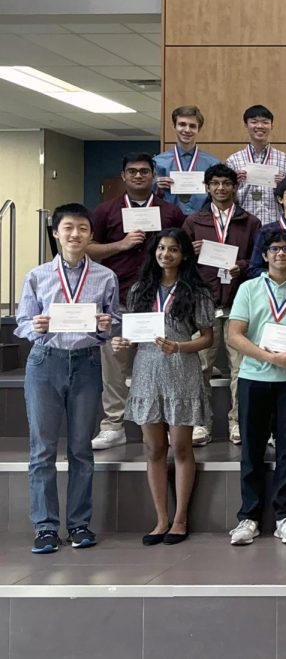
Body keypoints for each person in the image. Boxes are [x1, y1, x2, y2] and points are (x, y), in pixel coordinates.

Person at [17, 204, 119, 554]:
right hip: (46, 363)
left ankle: (79, 524)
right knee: (42, 450)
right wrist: (35, 326)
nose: (75, 234)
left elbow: (113, 321)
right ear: (56, 233)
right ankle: (45, 527)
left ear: (91, 235)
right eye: (68, 228)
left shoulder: (105, 276)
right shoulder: (37, 275)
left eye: (82, 228)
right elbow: (21, 322)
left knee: (81, 449)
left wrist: (108, 326)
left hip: (87, 364)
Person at [111, 229, 214, 545]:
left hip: (181, 369)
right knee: (153, 449)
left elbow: (208, 338)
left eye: (173, 249)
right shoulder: (140, 289)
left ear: (184, 255)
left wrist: (180, 347)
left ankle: (180, 519)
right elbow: (133, 334)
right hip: (146, 371)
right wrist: (122, 341)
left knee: (181, 448)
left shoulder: (196, 291)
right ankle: (161, 520)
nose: (165, 254)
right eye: (161, 248)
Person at [225, 227, 286, 546]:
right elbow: (235, 335)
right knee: (252, 450)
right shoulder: (249, 288)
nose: (280, 253)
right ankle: (248, 518)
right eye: (274, 249)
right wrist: (268, 356)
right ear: (265, 255)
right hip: (254, 377)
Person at [87, 152, 186, 450]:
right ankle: (113, 424)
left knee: (163, 361)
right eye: (133, 171)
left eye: (145, 171)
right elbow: (89, 249)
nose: (139, 176)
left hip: (161, 300)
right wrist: (122, 244)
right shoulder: (106, 211)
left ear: (154, 175)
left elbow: (184, 250)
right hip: (118, 297)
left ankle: (168, 421)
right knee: (115, 363)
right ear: (124, 176)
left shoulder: (170, 212)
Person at [182, 163, 261, 445]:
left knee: (241, 368)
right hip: (204, 303)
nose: (220, 188)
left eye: (226, 183)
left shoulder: (250, 222)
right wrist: (189, 254)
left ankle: (237, 421)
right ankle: (200, 423)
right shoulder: (194, 221)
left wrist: (240, 265)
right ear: (207, 187)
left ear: (235, 187)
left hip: (239, 303)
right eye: (214, 183)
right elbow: (179, 263)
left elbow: (258, 261)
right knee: (200, 367)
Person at [224, 104, 286, 225]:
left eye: (265, 122)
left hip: (276, 224)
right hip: (242, 225)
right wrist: (234, 184)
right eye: (254, 122)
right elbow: (225, 198)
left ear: (272, 126)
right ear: (246, 125)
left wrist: (283, 187)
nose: (260, 126)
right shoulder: (233, 160)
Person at [154, 105, 220, 215]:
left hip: (202, 221)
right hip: (169, 222)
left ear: (199, 129)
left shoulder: (212, 164)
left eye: (192, 126)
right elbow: (148, 197)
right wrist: (157, 188)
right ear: (174, 127)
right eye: (182, 124)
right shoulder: (158, 162)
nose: (187, 130)